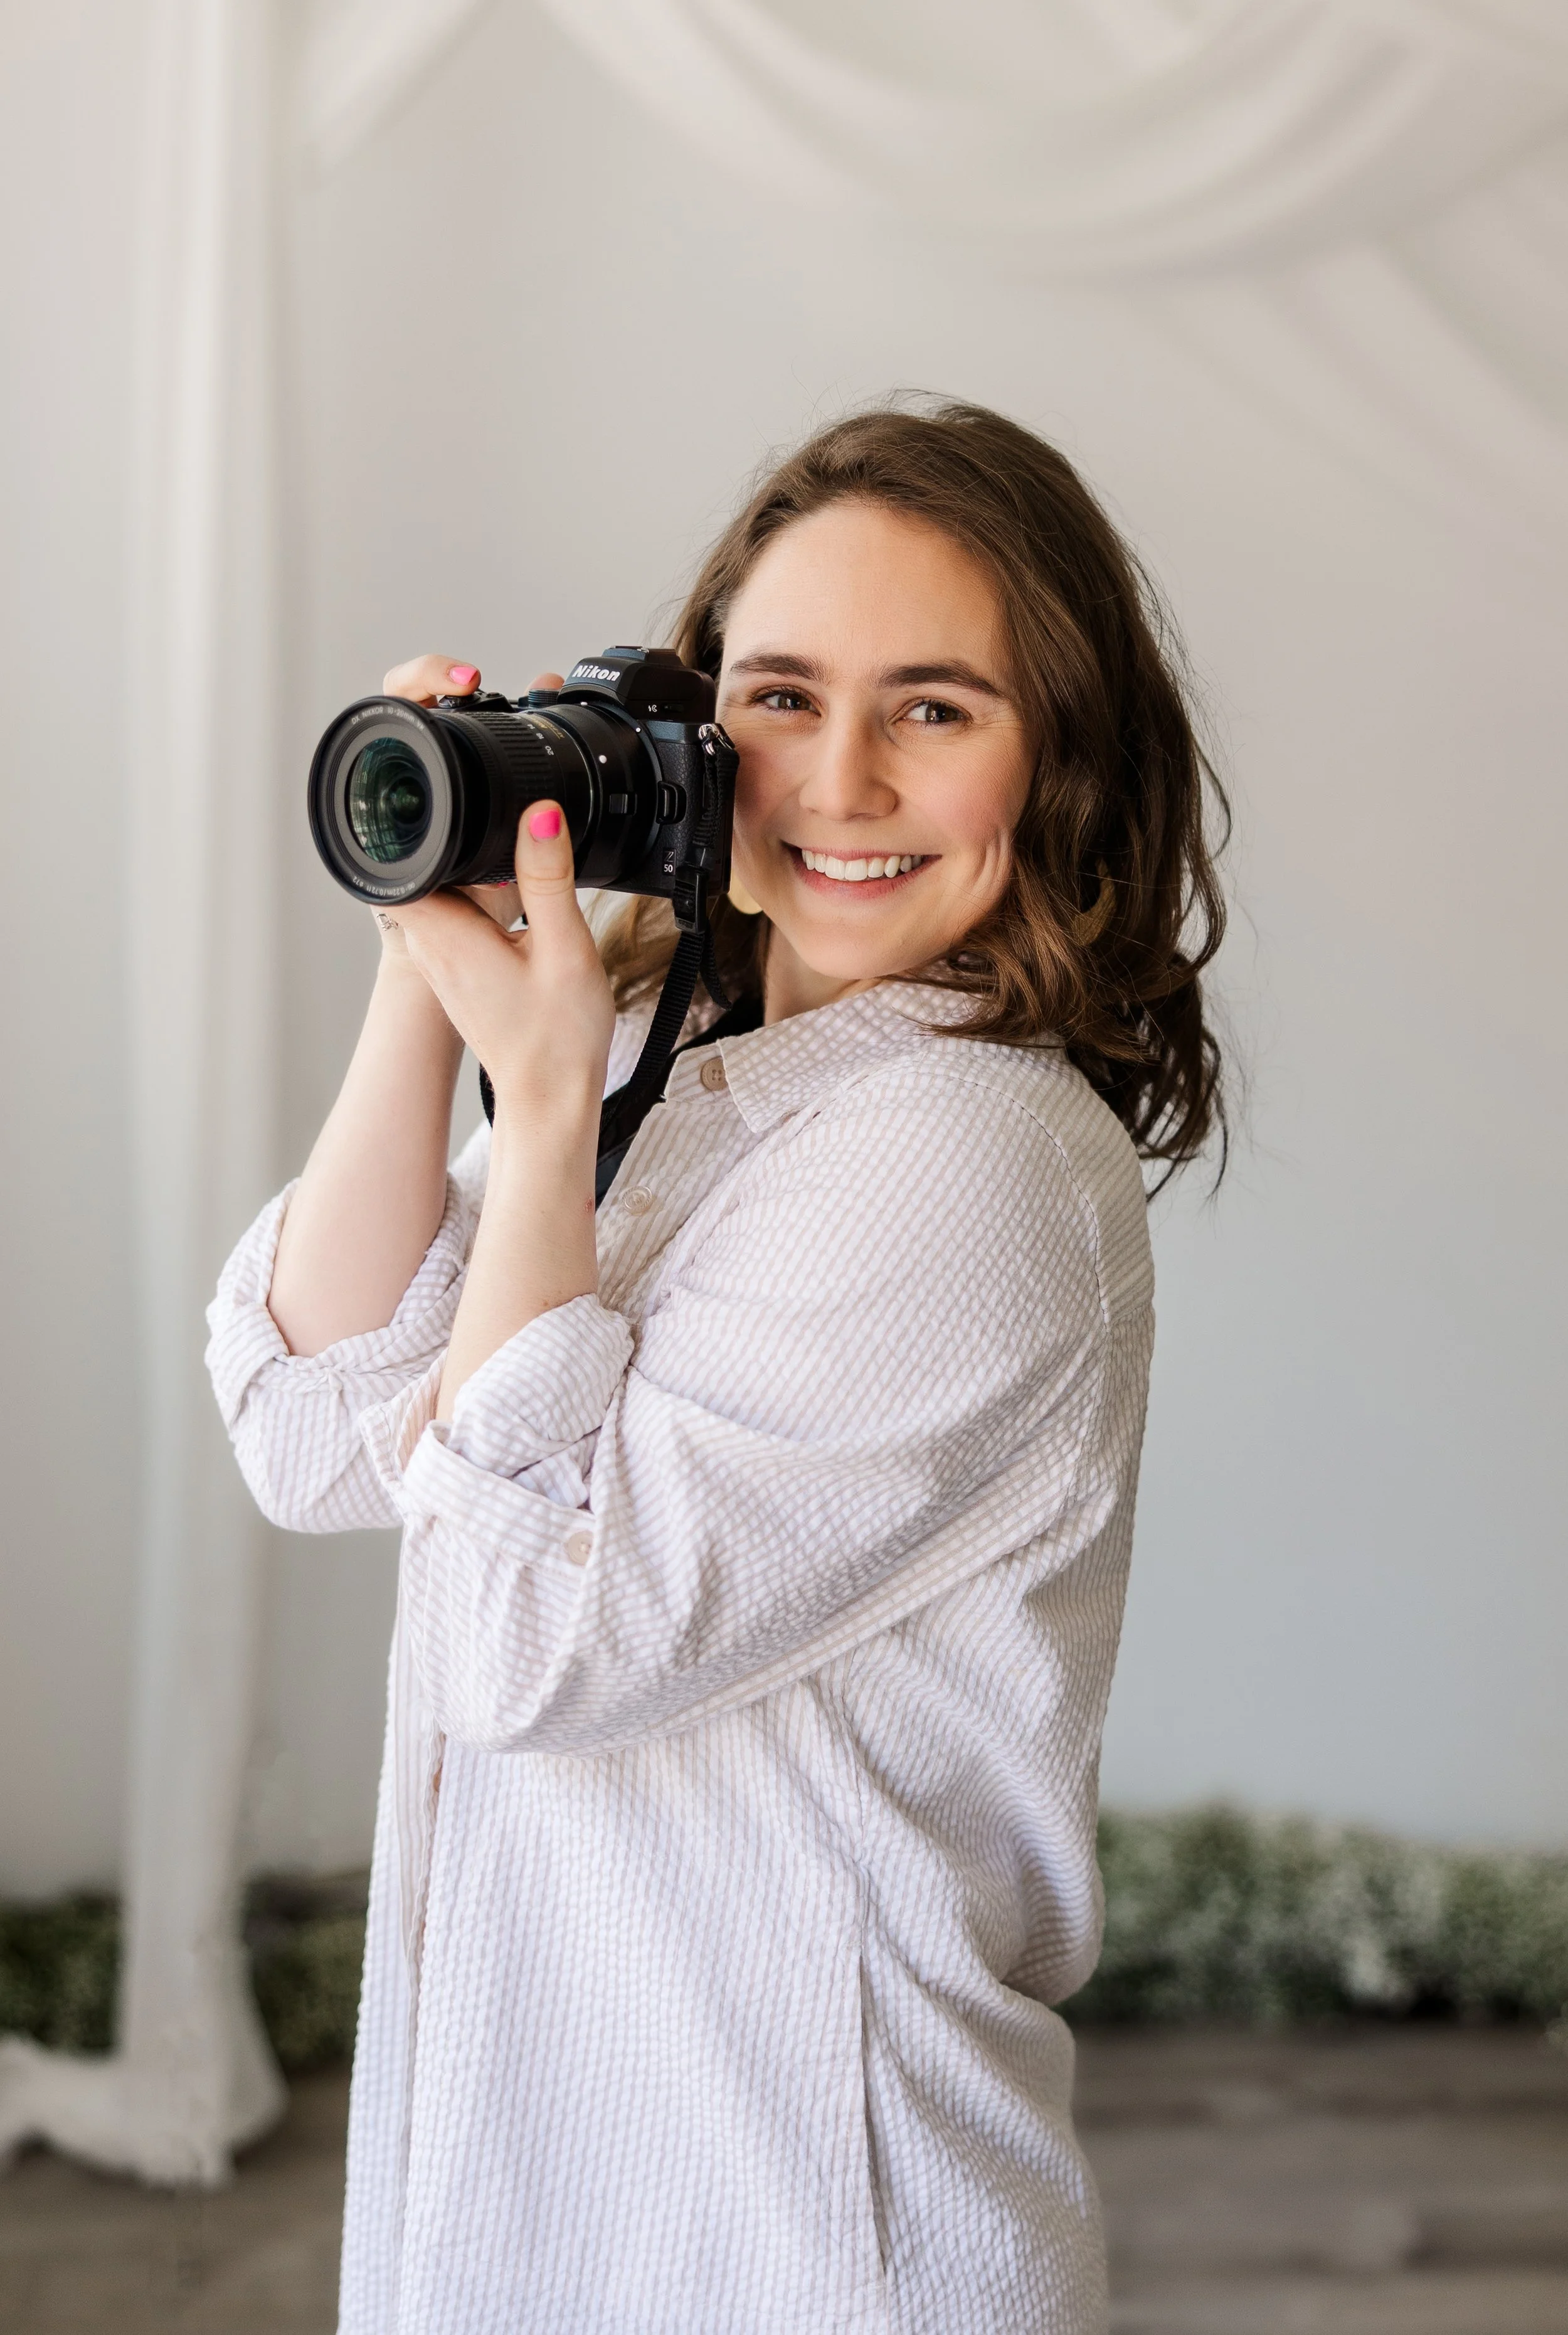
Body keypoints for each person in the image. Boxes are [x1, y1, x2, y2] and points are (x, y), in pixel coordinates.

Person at [206, 401, 1226, 2335]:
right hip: (549, 2196)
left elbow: (525, 1639)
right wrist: (421, 969)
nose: (836, 779)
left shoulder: (966, 1157)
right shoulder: (673, 1067)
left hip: (804, 2230)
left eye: (934, 708)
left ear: (1065, 759)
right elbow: (312, 1418)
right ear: (693, 737)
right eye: (778, 696)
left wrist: (533, 1090)